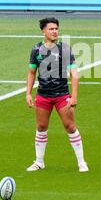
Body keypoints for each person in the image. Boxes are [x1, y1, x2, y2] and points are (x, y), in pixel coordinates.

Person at [25, 17, 89, 172]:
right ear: (43, 31)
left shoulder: (64, 49)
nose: (55, 31)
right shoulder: (36, 50)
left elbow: (74, 74)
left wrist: (73, 97)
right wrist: (28, 93)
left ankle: (81, 162)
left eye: (56, 28)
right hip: (43, 95)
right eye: (51, 29)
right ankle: (39, 162)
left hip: (62, 95)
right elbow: (32, 72)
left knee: (70, 126)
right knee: (41, 126)